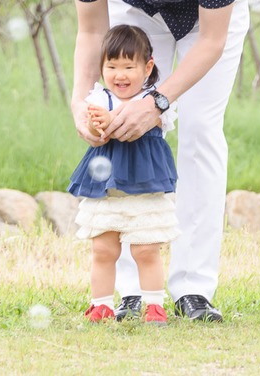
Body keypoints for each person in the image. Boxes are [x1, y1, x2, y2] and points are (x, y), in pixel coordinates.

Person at [62, 0, 250, 323]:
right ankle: (131, 290)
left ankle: (194, 288)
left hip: (208, 17)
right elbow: (91, 29)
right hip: (135, 16)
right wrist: (81, 98)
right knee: (125, 129)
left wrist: (159, 100)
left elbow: (209, 41)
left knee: (201, 130)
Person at [69, 25, 179, 325]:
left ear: (147, 67)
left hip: (144, 184)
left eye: (129, 66)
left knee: (146, 248)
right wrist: (96, 125)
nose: (120, 75)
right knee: (103, 248)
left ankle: (154, 305)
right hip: (108, 186)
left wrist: (114, 118)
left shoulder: (154, 100)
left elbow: (148, 125)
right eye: (112, 66)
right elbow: (95, 133)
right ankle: (101, 304)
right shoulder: (99, 99)